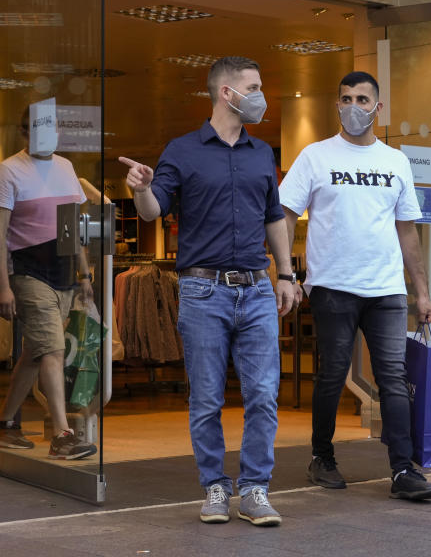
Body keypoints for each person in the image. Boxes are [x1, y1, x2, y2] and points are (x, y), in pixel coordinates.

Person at [119, 56, 297, 527]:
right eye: (255, 87)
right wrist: (139, 187)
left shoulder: (262, 153)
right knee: (206, 398)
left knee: (262, 393)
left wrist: (286, 274)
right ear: (227, 93)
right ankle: (215, 487)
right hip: (203, 290)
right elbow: (154, 210)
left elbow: (274, 216)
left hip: (258, 289)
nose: (262, 96)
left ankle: (255, 489)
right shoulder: (181, 150)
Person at [279, 70, 431, 501]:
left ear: (378, 108)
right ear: (337, 105)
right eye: (346, 98)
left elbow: (408, 231)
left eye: (363, 100)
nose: (354, 106)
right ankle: (322, 457)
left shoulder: (395, 161)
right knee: (331, 374)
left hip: (386, 289)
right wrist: (284, 273)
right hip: (332, 286)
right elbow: (284, 215)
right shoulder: (315, 157)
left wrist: (421, 291)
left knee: (393, 377)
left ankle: (403, 470)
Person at [0, 108, 96, 460]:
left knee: (35, 353)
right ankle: (63, 434)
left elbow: (75, 227)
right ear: (24, 132)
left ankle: (3, 425)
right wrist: (3, 285)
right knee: (52, 349)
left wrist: (84, 274)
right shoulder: (8, 171)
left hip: (64, 275)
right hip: (29, 273)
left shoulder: (66, 168)